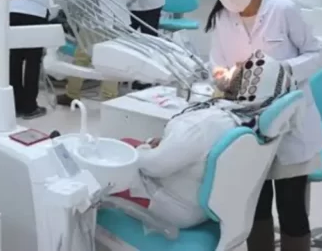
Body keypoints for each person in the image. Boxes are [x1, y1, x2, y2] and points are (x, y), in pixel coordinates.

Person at [205, 0, 322, 251]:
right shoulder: (222, 19)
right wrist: (222, 78)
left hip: (290, 125)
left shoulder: (282, 10)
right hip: (248, 125)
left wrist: (280, 71)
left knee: (291, 206)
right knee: (255, 205)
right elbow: (216, 65)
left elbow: (315, 53)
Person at [114, 52, 295, 230]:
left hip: (173, 205)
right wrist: (166, 143)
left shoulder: (203, 124)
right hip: (202, 204)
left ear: (249, 87)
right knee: (129, 144)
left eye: (241, 68)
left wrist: (144, 148)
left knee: (109, 162)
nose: (236, 64)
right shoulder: (247, 122)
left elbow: (156, 166)